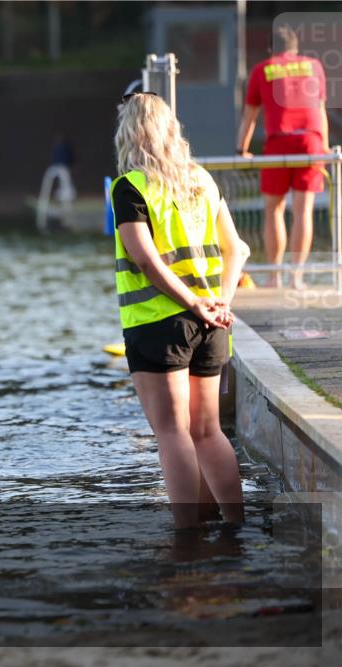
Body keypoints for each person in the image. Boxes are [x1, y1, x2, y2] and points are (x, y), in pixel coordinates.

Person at [111, 93, 246, 529]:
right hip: (211, 324)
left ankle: (186, 539)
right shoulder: (201, 180)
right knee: (208, 432)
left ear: (129, 134)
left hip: (159, 324)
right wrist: (218, 303)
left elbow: (147, 261)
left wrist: (192, 303)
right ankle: (233, 527)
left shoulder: (130, 186)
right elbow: (237, 250)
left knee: (171, 433)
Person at [236, 26, 330, 287]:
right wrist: (323, 146)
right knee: (304, 211)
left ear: (271, 49)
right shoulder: (314, 66)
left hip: (279, 143)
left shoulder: (262, 69)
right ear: (296, 48)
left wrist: (241, 150)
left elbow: (249, 116)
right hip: (311, 141)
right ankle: (296, 277)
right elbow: (320, 111)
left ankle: (274, 276)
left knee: (273, 210)